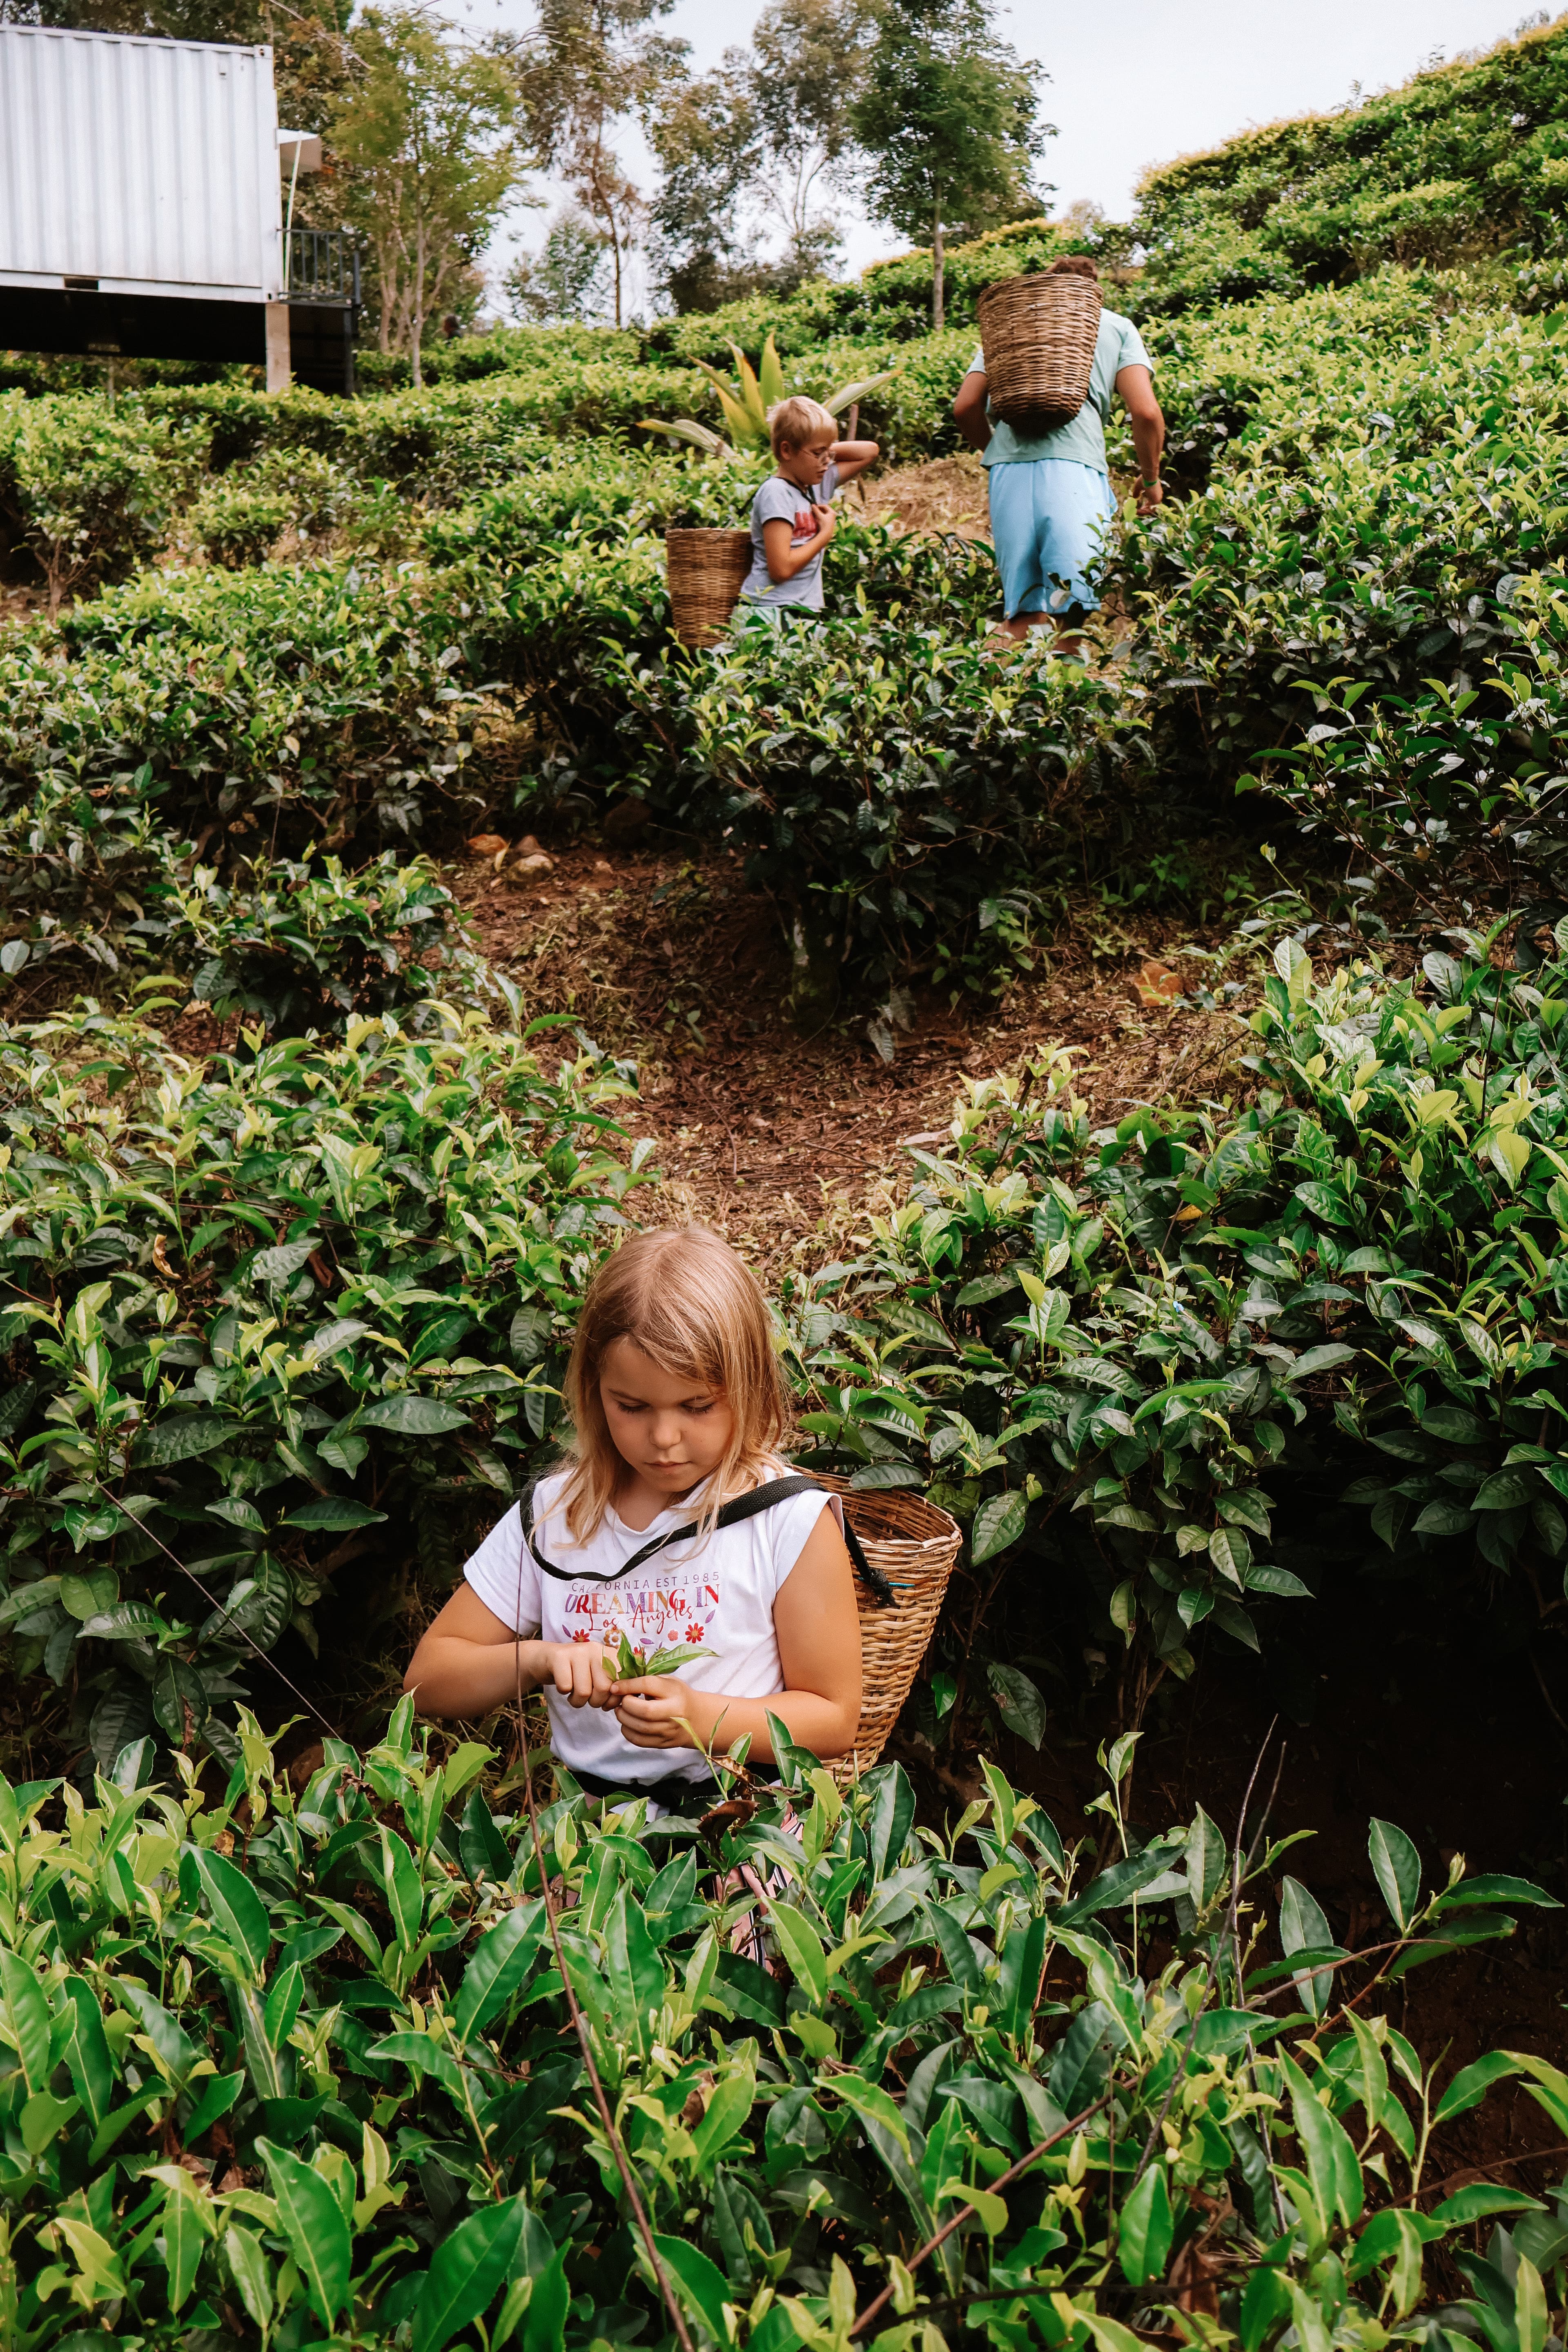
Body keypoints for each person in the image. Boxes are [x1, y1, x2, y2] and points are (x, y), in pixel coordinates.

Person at [403, 1225, 862, 1813]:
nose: (664, 1438)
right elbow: (427, 1679)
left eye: (697, 1407)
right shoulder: (555, 1517)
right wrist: (541, 1659)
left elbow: (834, 1716)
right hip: (591, 1844)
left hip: (738, 1833)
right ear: (596, 1391)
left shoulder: (786, 1519)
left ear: (748, 1386)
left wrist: (703, 1719)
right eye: (633, 1407)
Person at [953, 256, 1165, 649]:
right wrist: (1151, 479)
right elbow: (1147, 412)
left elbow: (965, 407)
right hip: (1075, 470)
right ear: (1093, 292)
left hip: (1009, 475)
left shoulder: (1013, 326)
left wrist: (997, 451)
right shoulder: (1115, 326)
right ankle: (1063, 703)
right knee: (1072, 612)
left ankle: (980, 696)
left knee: (1023, 612)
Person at [737, 394, 879, 620]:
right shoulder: (777, 492)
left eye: (828, 452)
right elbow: (781, 569)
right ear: (786, 451)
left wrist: (820, 446)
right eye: (817, 453)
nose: (826, 461)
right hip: (769, 611)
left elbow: (869, 451)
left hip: (804, 611)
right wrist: (825, 535)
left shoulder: (815, 487)